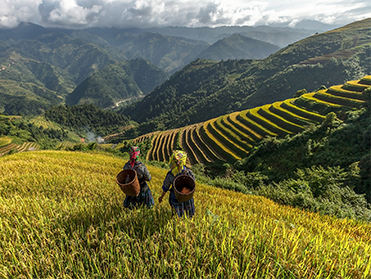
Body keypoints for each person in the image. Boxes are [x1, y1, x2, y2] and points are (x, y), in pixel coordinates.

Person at [158, 150, 196, 218]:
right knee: (189, 213)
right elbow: (193, 182)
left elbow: (165, 187)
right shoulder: (188, 172)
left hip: (176, 196)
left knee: (176, 215)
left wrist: (161, 197)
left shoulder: (170, 175)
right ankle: (188, 223)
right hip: (187, 196)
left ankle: (177, 223)